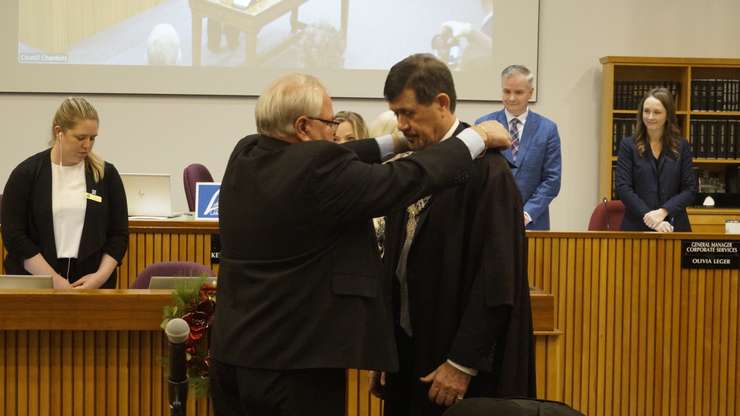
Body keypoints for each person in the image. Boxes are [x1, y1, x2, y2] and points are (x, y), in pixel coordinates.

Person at [209, 73, 511, 416]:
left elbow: (338, 154)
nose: (334, 132)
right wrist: (476, 137)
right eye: (330, 122)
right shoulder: (316, 171)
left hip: (233, 358)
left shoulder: (247, 152)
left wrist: (396, 143)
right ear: (304, 127)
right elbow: (409, 178)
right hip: (295, 368)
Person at [377, 54, 535, 416]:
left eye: (409, 113)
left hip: (459, 370)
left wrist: (462, 363)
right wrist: (387, 354)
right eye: (396, 114)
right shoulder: (414, 166)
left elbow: (496, 279)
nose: (401, 126)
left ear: (442, 103)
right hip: (408, 360)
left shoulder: (488, 172)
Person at [1, 97, 128, 289]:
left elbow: (118, 235)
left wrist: (99, 278)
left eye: (92, 138)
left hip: (92, 283)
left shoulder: (106, 175)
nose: (87, 145)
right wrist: (53, 280)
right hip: (36, 283)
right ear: (59, 132)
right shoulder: (26, 174)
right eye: (80, 138)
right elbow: (14, 235)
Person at [476, 64, 562, 230]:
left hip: (533, 223)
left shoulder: (547, 129)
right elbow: (478, 175)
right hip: (491, 221)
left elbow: (552, 180)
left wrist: (526, 214)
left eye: (518, 92)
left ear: (531, 92)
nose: (512, 98)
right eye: (507, 91)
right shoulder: (484, 124)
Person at [615, 87, 698, 232]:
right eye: (646, 111)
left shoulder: (682, 146)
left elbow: (690, 189)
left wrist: (663, 212)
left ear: (668, 115)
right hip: (637, 226)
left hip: (674, 226)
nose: (650, 117)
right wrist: (651, 218)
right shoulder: (628, 145)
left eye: (657, 112)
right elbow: (623, 188)